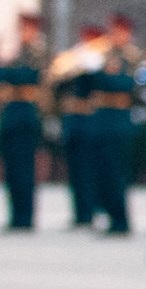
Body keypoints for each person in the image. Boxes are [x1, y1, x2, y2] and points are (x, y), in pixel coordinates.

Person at [0, 12, 48, 232]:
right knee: (11, 170)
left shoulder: (37, 53)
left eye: (27, 29)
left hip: (26, 113)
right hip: (11, 114)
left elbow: (24, 76)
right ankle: (15, 215)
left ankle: (25, 217)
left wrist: (3, 66)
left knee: (24, 170)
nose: (23, 34)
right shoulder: (17, 53)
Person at [88, 14, 140, 235]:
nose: (115, 36)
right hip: (101, 119)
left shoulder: (133, 58)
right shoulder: (101, 55)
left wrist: (105, 76)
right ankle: (108, 215)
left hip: (120, 120)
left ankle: (121, 220)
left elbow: (130, 85)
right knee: (102, 173)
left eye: (120, 31)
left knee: (117, 174)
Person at [55, 25, 105, 228]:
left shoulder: (98, 62)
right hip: (73, 122)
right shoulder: (76, 60)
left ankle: (91, 210)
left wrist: (90, 69)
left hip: (90, 122)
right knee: (76, 172)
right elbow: (59, 87)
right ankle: (80, 213)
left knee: (90, 171)